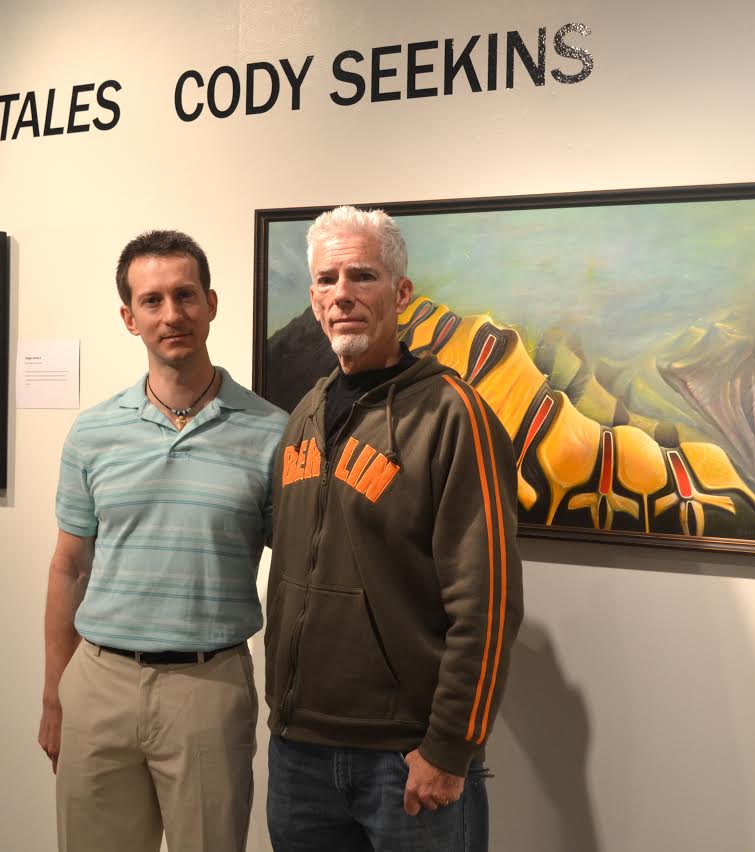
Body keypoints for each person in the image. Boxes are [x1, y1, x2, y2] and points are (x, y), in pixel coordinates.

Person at [265, 206, 523, 852]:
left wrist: (450, 746)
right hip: (300, 757)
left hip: (406, 763)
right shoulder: (304, 415)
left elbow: (489, 604)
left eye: (362, 276)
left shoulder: (453, 415)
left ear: (402, 292)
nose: (341, 295)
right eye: (326, 280)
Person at [38, 230, 287, 852]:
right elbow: (68, 568)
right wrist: (54, 694)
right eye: (152, 301)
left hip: (208, 688)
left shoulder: (272, 433)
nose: (171, 314)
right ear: (129, 318)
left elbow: (296, 577)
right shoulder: (93, 433)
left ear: (211, 303)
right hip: (98, 683)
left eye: (185, 295)